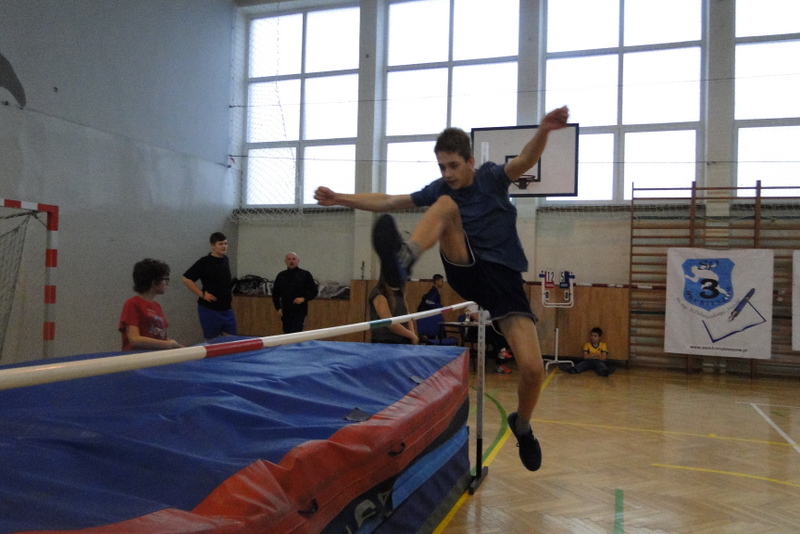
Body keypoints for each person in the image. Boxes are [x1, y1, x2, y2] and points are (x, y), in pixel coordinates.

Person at [315, 105, 570, 472]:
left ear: (469, 161)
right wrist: (341, 198)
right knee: (446, 205)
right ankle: (404, 260)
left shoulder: (491, 178)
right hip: (465, 266)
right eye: (442, 167)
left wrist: (544, 129)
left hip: (504, 282)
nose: (447, 174)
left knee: (532, 369)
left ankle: (524, 426)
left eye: (453, 166)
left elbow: (526, 160)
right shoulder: (442, 190)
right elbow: (390, 201)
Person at [182, 232, 237, 340]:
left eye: (225, 243)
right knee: (213, 341)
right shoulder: (205, 262)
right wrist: (202, 294)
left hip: (226, 308)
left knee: (232, 340)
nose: (224, 246)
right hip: (210, 309)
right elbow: (186, 279)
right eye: (220, 244)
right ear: (213, 245)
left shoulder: (225, 259)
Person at [119, 258, 182, 351]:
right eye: (165, 279)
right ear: (154, 282)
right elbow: (134, 339)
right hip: (138, 357)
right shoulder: (132, 304)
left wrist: (180, 348)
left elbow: (161, 339)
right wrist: (169, 344)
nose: (167, 283)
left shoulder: (157, 306)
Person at [272, 252, 319, 333]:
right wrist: (278, 308)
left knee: (297, 333)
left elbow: (314, 291)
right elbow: (275, 293)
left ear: (298, 261)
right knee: (287, 334)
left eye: (293, 259)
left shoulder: (305, 275)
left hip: (300, 311)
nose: (291, 261)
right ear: (285, 261)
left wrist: (304, 298)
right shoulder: (281, 276)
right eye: (289, 259)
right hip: (286, 311)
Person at [464, 303, 513, 374]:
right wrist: (491, 312)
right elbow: (477, 318)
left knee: (500, 330)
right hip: (473, 331)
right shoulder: (470, 305)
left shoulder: (489, 304)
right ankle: (502, 356)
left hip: (488, 331)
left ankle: (502, 355)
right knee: (496, 332)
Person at [369, 276, 419, 344]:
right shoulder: (380, 294)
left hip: (403, 339)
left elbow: (407, 315)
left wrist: (412, 335)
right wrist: (412, 336)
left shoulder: (399, 292)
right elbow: (389, 323)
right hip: (385, 341)